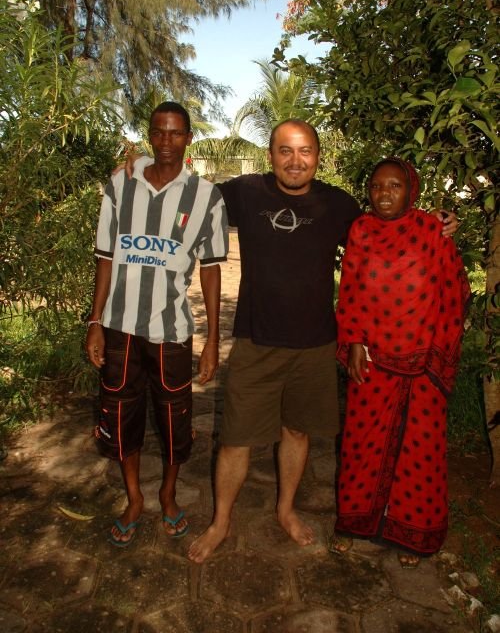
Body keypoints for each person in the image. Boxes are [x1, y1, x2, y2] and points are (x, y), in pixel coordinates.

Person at [122, 119, 457, 563]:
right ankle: (221, 521)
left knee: (296, 430)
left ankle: (285, 510)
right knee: (236, 438)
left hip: (315, 344)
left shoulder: (338, 205)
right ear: (270, 155)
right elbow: (189, 191)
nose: (295, 161)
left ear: (317, 156)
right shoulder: (244, 192)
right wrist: (146, 163)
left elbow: (386, 229)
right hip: (256, 341)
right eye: (285, 151)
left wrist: (439, 222)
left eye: (304, 152)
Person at [86, 101, 228, 547]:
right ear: (150, 136)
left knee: (173, 419)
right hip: (119, 328)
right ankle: (134, 498)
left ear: (189, 138)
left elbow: (210, 267)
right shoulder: (120, 184)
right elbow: (106, 258)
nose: (166, 141)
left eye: (175, 133)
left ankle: (167, 494)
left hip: (171, 331)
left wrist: (212, 341)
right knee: (121, 414)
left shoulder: (207, 196)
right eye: (159, 133)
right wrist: (95, 321)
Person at [329, 157, 470, 568]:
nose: (383, 193)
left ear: (412, 191)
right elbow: (350, 290)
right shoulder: (361, 230)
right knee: (359, 446)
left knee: (418, 455)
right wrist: (353, 340)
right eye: (376, 186)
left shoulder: (431, 229)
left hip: (423, 363)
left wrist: (437, 353)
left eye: (393, 186)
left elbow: (454, 290)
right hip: (372, 359)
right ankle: (353, 524)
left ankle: (412, 538)